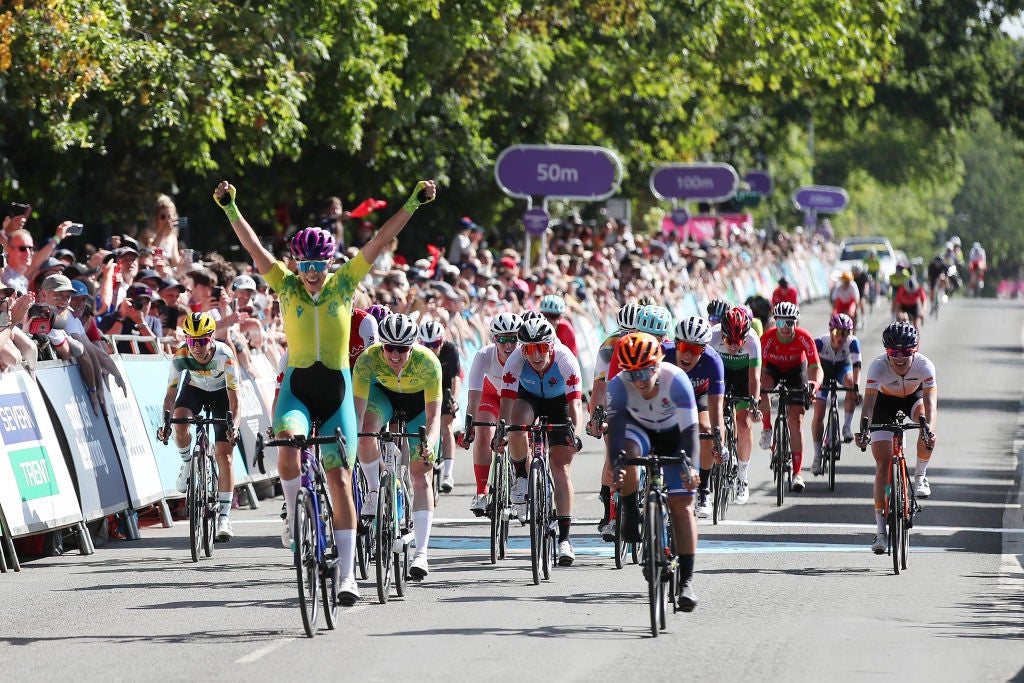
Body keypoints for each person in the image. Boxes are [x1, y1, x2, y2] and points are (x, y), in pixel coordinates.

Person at [213, 177, 436, 606]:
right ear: (295, 263)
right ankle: (294, 516)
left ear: (330, 265)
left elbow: (382, 237)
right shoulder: (285, 285)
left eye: (319, 265)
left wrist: (412, 202)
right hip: (298, 388)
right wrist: (230, 208)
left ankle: (348, 575)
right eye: (306, 265)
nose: (312, 273)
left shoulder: (343, 284)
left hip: (337, 391)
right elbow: (254, 247)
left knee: (339, 478)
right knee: (289, 444)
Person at [605, 332, 701, 611]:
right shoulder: (617, 387)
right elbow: (617, 438)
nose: (641, 380)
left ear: (658, 363)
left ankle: (686, 581)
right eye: (633, 374)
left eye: (647, 370)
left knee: (682, 504)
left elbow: (691, 431)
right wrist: (617, 470)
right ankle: (630, 512)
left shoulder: (677, 380)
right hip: (639, 431)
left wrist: (691, 468)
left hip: (675, 434)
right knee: (628, 457)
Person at [353, 313, 442, 580]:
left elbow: (434, 416)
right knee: (366, 432)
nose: (394, 354)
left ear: (412, 347)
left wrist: (430, 444)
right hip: (384, 398)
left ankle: (422, 553)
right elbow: (357, 413)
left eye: (402, 349)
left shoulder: (428, 363)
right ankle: (372, 490)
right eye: (389, 347)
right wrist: (357, 439)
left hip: (418, 409)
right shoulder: (368, 359)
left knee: (422, 477)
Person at [492, 317, 584, 566]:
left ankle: (565, 539)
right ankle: (522, 475)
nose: (535, 355)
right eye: (529, 349)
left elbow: (576, 404)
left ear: (551, 346)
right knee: (516, 422)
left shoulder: (566, 359)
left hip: (559, 404)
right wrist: (502, 431)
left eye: (541, 348)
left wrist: (573, 433)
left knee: (561, 468)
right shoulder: (515, 361)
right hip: (529, 398)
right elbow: (507, 403)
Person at [156, 312, 242, 542]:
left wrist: (235, 425)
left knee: (225, 457)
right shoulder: (181, 355)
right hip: (194, 390)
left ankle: (224, 517)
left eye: (202, 340)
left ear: (211, 338)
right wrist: (165, 423)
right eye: (192, 341)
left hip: (222, 395)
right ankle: (186, 465)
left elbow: (235, 400)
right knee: (180, 421)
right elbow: (170, 396)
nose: (197, 347)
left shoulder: (225, 355)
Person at [855, 322, 937, 554]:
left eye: (905, 353)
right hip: (884, 404)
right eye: (893, 353)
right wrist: (864, 430)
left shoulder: (925, 366)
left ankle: (920, 476)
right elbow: (869, 405)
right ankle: (881, 532)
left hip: (913, 400)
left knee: (925, 424)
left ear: (915, 350)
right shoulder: (878, 367)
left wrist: (928, 429)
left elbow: (931, 405)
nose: (899, 359)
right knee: (882, 464)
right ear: (886, 352)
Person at [460, 312, 524, 516]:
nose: (508, 345)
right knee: (483, 433)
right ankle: (481, 492)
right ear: (494, 339)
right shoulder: (484, 355)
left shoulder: (525, 356)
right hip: (491, 395)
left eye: (513, 339)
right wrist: (469, 425)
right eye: (502, 339)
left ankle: (523, 485)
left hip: (517, 399)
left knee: (521, 437)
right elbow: (474, 397)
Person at [586, 302, 640, 538]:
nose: (629, 337)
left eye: (634, 333)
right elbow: (599, 388)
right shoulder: (609, 346)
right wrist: (595, 417)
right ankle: (611, 514)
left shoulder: (653, 344)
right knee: (612, 450)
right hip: (616, 396)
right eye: (624, 332)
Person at [757, 302, 822, 492]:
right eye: (781, 323)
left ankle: (797, 473)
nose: (785, 327)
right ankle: (768, 429)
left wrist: (813, 385)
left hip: (796, 371)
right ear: (774, 323)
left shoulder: (804, 338)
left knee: (796, 421)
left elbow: (816, 368)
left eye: (790, 323)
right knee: (764, 385)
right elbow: (759, 370)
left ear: (796, 323)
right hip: (773, 370)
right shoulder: (767, 338)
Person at [669, 316, 725, 519]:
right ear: (676, 343)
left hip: (699, 395)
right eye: (684, 346)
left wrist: (720, 444)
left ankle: (704, 489)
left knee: (706, 429)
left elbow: (717, 409)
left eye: (696, 349)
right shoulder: (663, 354)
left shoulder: (713, 361)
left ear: (704, 350)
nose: (687, 354)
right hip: (670, 394)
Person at [709, 307, 762, 504]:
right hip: (720, 374)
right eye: (729, 340)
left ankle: (742, 477)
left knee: (744, 424)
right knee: (714, 419)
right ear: (721, 333)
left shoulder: (753, 341)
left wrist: (754, 404)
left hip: (743, 378)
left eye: (738, 342)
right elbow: (706, 369)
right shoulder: (712, 336)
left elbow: (755, 378)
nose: (733, 345)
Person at [809, 313, 862, 475]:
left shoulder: (853, 343)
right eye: (837, 332)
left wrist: (856, 387)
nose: (841, 337)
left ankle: (846, 427)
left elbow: (857, 365)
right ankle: (817, 456)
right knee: (819, 413)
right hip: (823, 373)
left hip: (842, 370)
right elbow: (811, 367)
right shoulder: (820, 342)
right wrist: (812, 387)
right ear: (831, 331)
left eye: (846, 333)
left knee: (850, 382)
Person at [418, 319, 461, 494]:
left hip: (444, 389)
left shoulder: (450, 350)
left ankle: (448, 474)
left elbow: (456, 378)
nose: (431, 350)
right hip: (424, 389)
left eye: (435, 345)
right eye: (426, 345)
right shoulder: (417, 353)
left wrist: (454, 400)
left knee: (446, 426)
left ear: (441, 342)